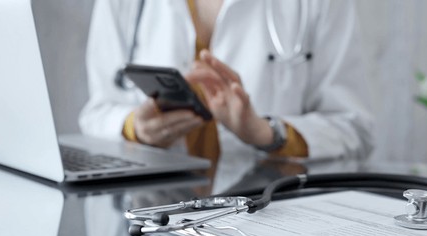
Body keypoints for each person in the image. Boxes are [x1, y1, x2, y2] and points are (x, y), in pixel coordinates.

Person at [79, 0, 374, 172]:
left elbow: (354, 130)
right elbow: (97, 112)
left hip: (266, 221)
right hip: (151, 214)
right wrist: (133, 127)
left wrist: (267, 132)